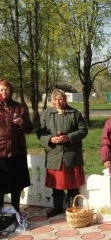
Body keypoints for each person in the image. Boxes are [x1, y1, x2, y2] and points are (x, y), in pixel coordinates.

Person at [37, 89, 88, 218]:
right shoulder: (46, 114)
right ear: (51, 101)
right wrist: (50, 139)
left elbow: (83, 130)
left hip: (71, 154)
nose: (58, 102)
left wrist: (69, 137)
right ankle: (57, 207)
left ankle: (73, 208)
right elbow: (40, 132)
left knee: (72, 184)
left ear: (65, 99)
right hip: (55, 154)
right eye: (55, 99)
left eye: (61, 99)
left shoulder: (74, 113)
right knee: (57, 185)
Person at [0, 80, 33, 213]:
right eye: (1, 89)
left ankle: (16, 212)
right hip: (0, 152)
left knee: (16, 184)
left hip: (17, 151)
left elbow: (29, 128)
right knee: (0, 184)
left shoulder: (20, 107)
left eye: (6, 89)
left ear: (11, 91)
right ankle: (1, 212)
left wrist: (22, 123)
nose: (4, 92)